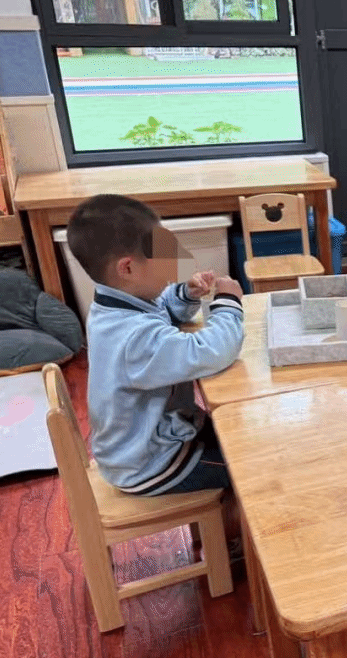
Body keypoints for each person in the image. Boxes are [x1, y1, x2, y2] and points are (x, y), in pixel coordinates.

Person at [66, 194, 245, 500]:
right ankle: (234, 525)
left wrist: (185, 295)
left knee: (241, 435)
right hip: (152, 463)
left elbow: (161, 308)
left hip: (144, 445)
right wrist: (228, 304)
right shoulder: (133, 336)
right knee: (251, 465)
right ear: (128, 268)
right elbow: (208, 352)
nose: (173, 261)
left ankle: (231, 523)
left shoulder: (113, 307)